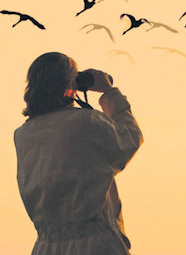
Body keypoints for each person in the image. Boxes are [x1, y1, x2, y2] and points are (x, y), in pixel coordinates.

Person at [13, 52, 144, 255]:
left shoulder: (22, 134)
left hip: (45, 246)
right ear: (69, 84)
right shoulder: (86, 121)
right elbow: (129, 139)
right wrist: (109, 92)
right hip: (95, 244)